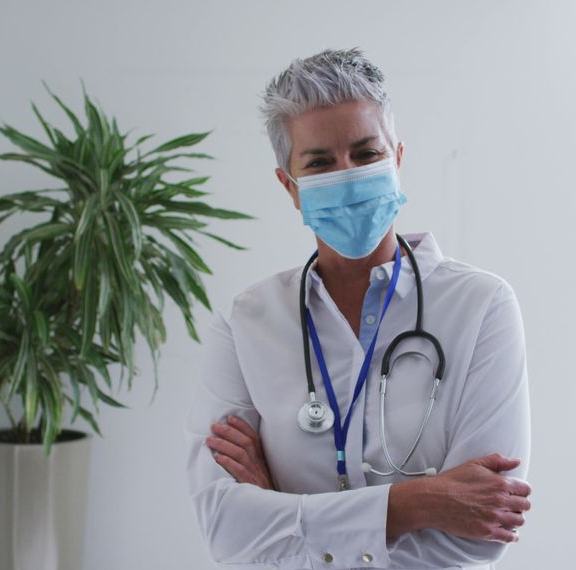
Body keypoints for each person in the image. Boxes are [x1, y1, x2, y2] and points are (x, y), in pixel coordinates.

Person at [184, 47, 532, 570]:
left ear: (397, 160)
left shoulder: (481, 307)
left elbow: (479, 535)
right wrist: (419, 503)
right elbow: (228, 532)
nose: (346, 174)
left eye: (366, 154)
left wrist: (284, 504)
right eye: (320, 162)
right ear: (290, 187)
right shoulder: (244, 323)